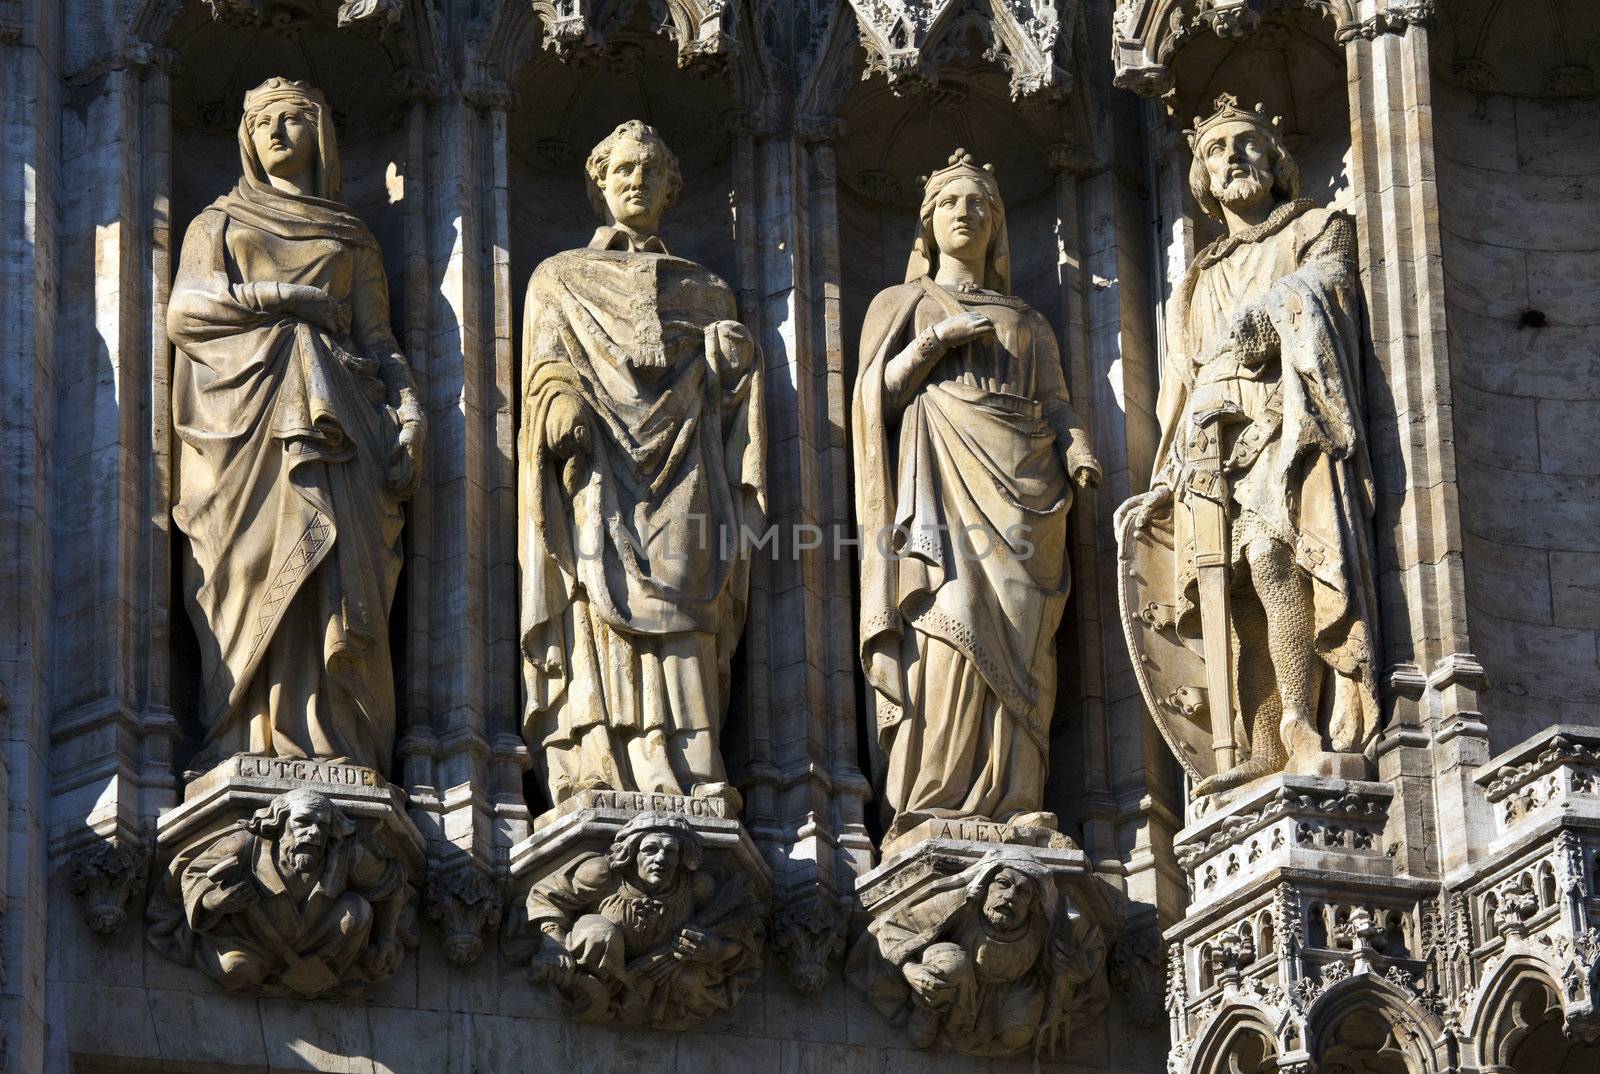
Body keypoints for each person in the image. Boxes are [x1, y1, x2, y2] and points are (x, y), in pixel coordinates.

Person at [1117, 95, 1380, 795]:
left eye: (1245, 143)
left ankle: (1301, 721)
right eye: (1214, 149)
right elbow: (1178, 384)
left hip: (1285, 418)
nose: (1231, 157)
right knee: (1230, 590)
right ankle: (1262, 741)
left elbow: (1328, 290)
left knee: (1275, 560)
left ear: (1276, 160)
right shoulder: (1196, 281)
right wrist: (1160, 479)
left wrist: (1268, 313)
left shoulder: (1317, 227)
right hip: (1212, 438)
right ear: (1199, 177)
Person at [169, 77, 423, 776]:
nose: (277, 133)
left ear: (321, 133)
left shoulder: (353, 238)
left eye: (292, 120)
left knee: (336, 582)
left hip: (342, 428)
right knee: (248, 569)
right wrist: (287, 301)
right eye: (262, 123)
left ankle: (336, 739)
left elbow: (380, 343)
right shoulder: (217, 223)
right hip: (241, 427)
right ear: (245, 140)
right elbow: (186, 314)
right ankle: (245, 735)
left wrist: (408, 409)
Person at [853, 150, 1100, 845]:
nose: (968, 213)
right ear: (927, 223)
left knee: (1027, 642)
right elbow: (876, 399)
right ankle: (935, 797)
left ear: (998, 226)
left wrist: (1077, 447)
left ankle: (1017, 798)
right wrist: (937, 340)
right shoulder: (901, 305)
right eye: (952, 202)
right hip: (941, 488)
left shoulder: (1029, 320)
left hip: (1027, 491)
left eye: (981, 204)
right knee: (945, 624)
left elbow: (1056, 402)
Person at [518, 121, 765, 807]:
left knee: (688, 597)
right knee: (599, 596)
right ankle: (605, 754)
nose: (636, 181)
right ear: (598, 182)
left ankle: (690, 761)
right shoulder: (560, 277)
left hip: (686, 468)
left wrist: (732, 364)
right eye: (623, 169)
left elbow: (731, 404)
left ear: (673, 188)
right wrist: (558, 399)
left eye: (651, 171)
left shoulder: (707, 289)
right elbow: (544, 363)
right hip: (598, 463)